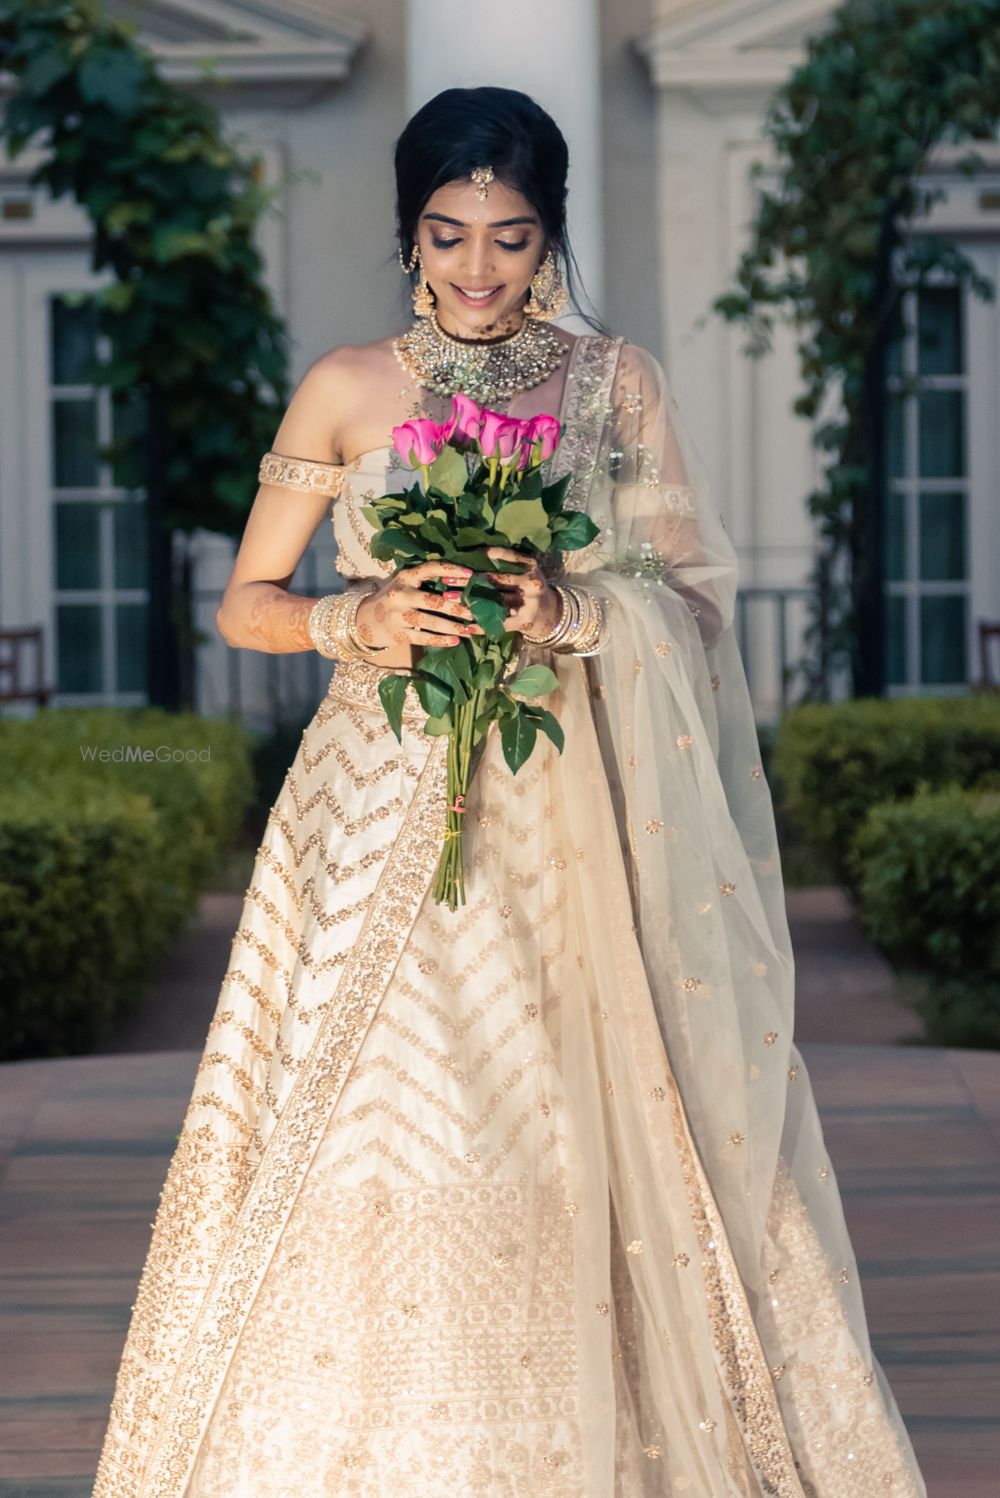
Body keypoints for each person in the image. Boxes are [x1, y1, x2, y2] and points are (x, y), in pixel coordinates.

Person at [92, 86, 928, 1497]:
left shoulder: (617, 386)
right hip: (368, 812)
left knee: (556, 1110)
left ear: (550, 240)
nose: (479, 270)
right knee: (368, 1107)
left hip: (570, 814)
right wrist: (350, 621)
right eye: (449, 233)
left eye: (513, 237)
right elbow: (244, 600)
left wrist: (572, 603)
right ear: (408, 232)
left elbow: (696, 606)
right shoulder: (349, 387)